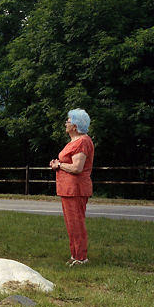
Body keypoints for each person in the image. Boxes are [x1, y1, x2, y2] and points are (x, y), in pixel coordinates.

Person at [50, 108, 94, 266]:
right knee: (71, 224)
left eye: (68, 121)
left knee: (77, 223)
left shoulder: (82, 142)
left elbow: (77, 168)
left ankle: (81, 258)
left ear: (75, 126)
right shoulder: (74, 141)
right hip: (68, 189)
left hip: (76, 189)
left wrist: (60, 165)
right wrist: (57, 165)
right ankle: (75, 255)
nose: (65, 124)